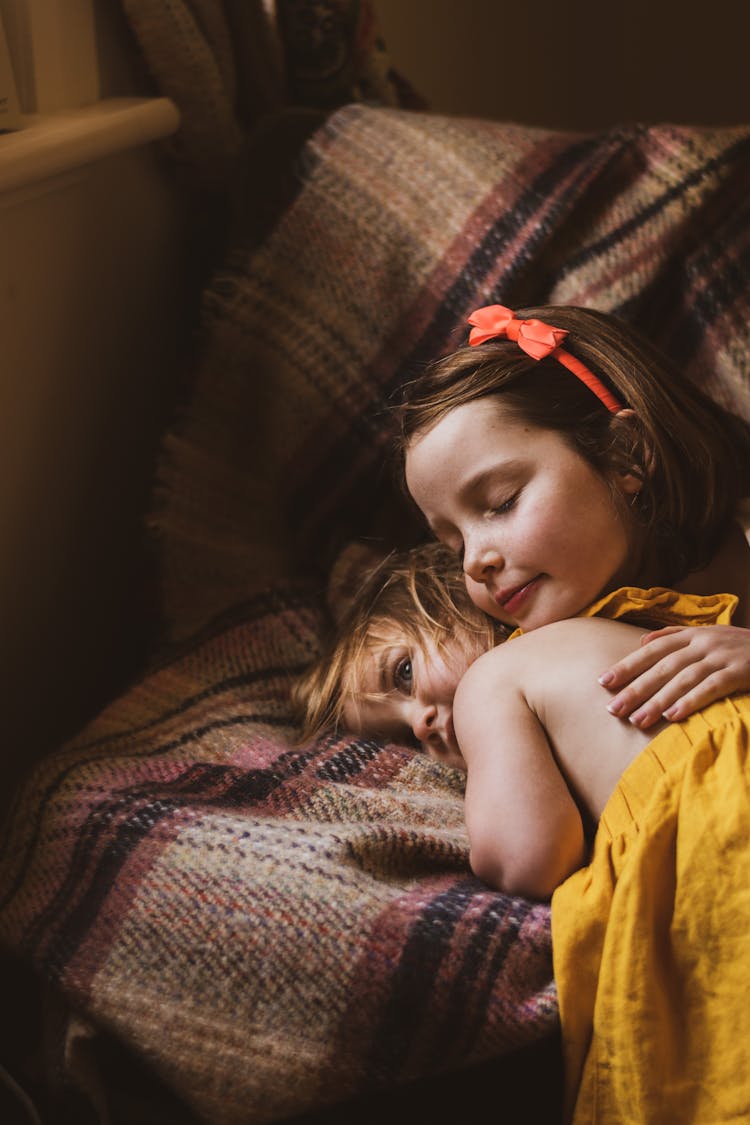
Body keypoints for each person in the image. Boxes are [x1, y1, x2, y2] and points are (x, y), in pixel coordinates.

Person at [294, 542, 749, 1124]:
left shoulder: (493, 678)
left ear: (453, 602)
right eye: (403, 738)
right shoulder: (623, 620)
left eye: (403, 673)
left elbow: (526, 858)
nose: (423, 723)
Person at [396, 303, 750, 731]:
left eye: (503, 502)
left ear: (626, 456)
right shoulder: (536, 671)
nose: (473, 563)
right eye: (456, 547)